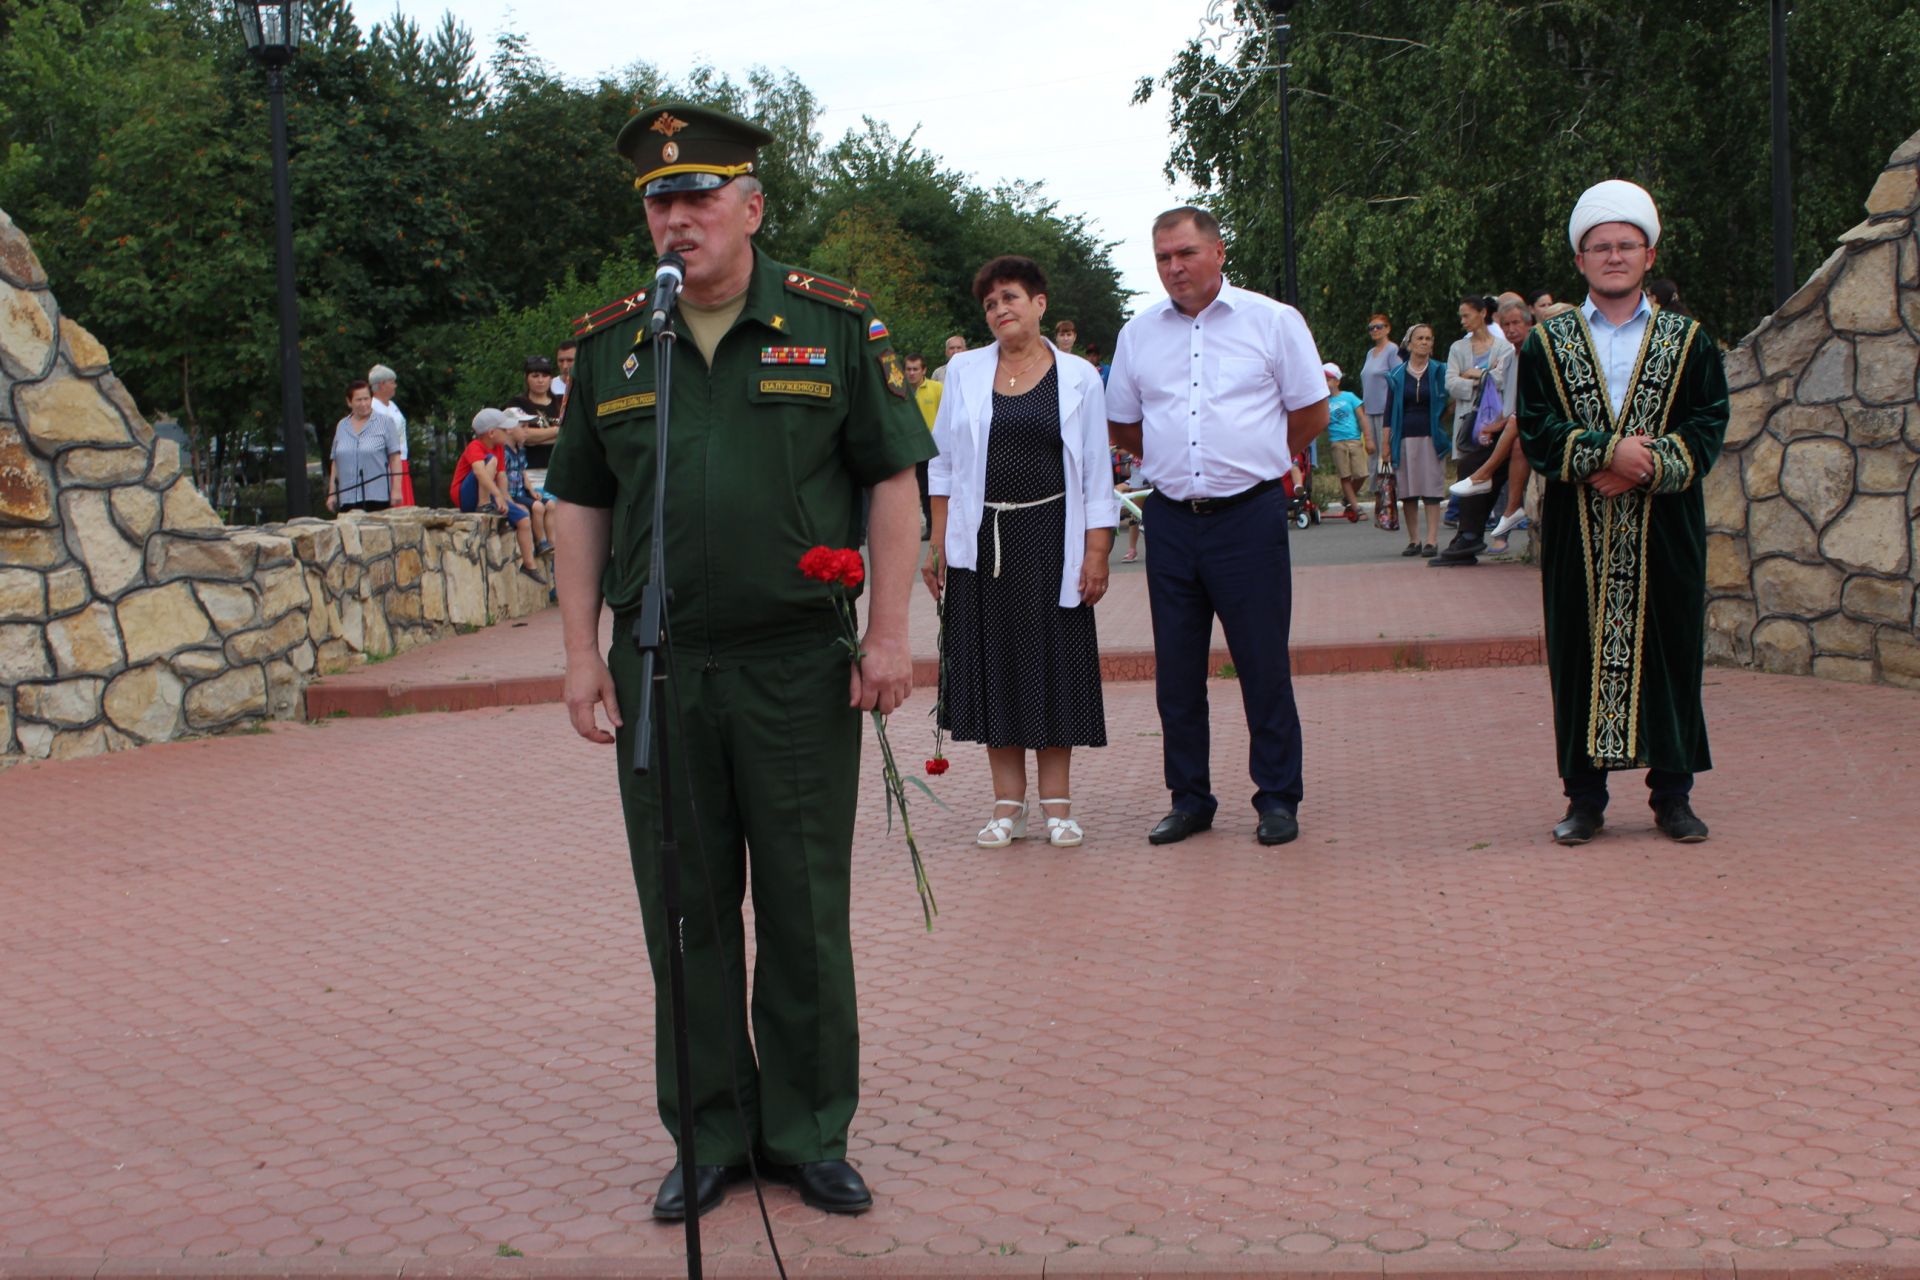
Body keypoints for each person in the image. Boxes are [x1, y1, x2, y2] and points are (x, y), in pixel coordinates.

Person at [546, 101, 933, 1222]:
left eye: (700, 198)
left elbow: (892, 483)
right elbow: (580, 499)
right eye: (661, 202)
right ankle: (711, 1131)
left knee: (806, 910)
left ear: (751, 207)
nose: (678, 219)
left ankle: (807, 1128)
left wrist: (892, 634)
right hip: (665, 667)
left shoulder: (833, 328)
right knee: (686, 910)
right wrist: (581, 653)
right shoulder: (616, 343)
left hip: (796, 667)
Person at [1106, 206, 1329, 848]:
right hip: (1172, 517)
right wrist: (1176, 462)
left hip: (1249, 517)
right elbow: (1123, 423)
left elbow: (1310, 411)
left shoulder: (1273, 321)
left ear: (1218, 252)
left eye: (1185, 254)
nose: (1174, 268)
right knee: (1176, 670)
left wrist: (1256, 456)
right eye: (1162, 258)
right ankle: (1190, 797)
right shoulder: (1139, 334)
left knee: (1262, 663)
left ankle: (1278, 797)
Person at [1517, 179, 1728, 846]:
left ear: (1650, 254)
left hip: (1666, 526)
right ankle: (1585, 799)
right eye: (1600, 247)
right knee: (1579, 655)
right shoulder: (1547, 345)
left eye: (1626, 245)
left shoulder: (1688, 340)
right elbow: (1535, 426)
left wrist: (1650, 463)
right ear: (1580, 260)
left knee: (1671, 649)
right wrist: (1607, 454)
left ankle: (1673, 796)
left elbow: (1708, 422)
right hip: (1577, 530)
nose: (1613, 256)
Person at [921, 256, 1115, 850]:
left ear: (1039, 303)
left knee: (1054, 666)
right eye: (990, 304)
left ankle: (1058, 805)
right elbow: (945, 462)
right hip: (982, 542)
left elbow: (1098, 472)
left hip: (1053, 536)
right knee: (993, 667)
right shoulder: (965, 372)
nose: (1000, 310)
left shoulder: (1079, 375)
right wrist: (937, 541)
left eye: (1010, 297)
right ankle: (1008, 805)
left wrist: (1097, 551)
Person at [1430, 296, 1515, 565]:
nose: (1463, 321)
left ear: (1483, 313)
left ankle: (1469, 535)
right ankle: (1468, 535)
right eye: (1461, 317)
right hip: (1469, 421)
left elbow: (1504, 379)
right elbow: (1451, 384)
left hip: (1496, 421)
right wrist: (1484, 377)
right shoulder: (1458, 348)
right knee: (1469, 467)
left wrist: (1474, 374)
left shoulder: (1503, 347)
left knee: (1479, 472)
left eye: (1467, 315)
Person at [1448, 299, 1536, 550]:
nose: (1510, 329)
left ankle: (1493, 499)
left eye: (1516, 323)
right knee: (1469, 461)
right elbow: (1496, 389)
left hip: (1529, 425)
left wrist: (1471, 375)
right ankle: (1469, 535)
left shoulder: (1536, 352)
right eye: (1506, 324)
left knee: (1507, 450)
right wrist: (1493, 424)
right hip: (1509, 425)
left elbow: (1527, 402)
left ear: (1529, 324)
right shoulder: (1509, 357)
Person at [452, 408, 544, 581]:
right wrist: (496, 495)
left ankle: (529, 564)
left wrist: (507, 500)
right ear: (492, 432)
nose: (508, 431)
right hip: (466, 496)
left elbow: (501, 476)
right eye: (504, 429)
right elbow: (480, 473)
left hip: (491, 493)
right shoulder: (475, 447)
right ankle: (483, 504)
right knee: (489, 461)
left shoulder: (499, 448)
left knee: (523, 518)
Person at [1381, 323, 1449, 555]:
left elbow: (1449, 400)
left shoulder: (1440, 370)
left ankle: (1431, 540)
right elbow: (1389, 411)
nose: (1424, 342)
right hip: (1404, 437)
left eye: (1429, 339)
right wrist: (1385, 445)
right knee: (1408, 491)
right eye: (1419, 338)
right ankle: (1414, 540)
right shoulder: (1397, 375)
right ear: (1409, 344)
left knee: (1432, 489)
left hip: (1431, 436)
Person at [326, 380, 404, 514]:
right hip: (347, 497)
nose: (363, 404)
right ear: (349, 402)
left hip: (377, 496)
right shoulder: (342, 426)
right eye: (358, 400)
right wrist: (332, 493)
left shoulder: (385, 423)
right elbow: (336, 462)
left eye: (366, 399)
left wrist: (396, 490)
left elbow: (395, 458)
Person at [1359, 314, 1402, 505]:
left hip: (1386, 408)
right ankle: (1377, 491)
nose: (1375, 331)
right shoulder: (1370, 353)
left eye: (1379, 327)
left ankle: (1394, 489)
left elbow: (1398, 378)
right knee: (1372, 451)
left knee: (1387, 450)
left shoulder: (1393, 350)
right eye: (1371, 328)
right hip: (1370, 408)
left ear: (1387, 328)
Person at [1320, 362, 1371, 521]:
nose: (1325, 383)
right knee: (1345, 475)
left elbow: (1362, 417)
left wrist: (1368, 438)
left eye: (1328, 380)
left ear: (1337, 381)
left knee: (1362, 473)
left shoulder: (1349, 397)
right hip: (1337, 442)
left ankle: (1348, 498)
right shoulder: (1322, 403)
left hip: (1354, 439)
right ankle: (1356, 507)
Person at [904, 353, 943, 538]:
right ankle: (908, 527)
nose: (912, 373)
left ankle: (933, 526)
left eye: (915, 369)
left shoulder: (936, 388)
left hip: (932, 448)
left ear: (924, 370)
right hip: (908, 447)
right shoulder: (900, 390)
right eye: (908, 369)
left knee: (930, 489)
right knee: (909, 490)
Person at [367, 364, 414, 506]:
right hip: (386, 463)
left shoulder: (392, 405)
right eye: (392, 382)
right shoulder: (372, 408)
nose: (395, 385)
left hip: (401, 460)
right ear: (382, 384)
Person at [508, 355, 564, 468]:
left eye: (545, 376)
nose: (540, 380)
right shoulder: (517, 403)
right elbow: (523, 436)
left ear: (550, 378)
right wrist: (559, 431)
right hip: (529, 467)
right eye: (535, 376)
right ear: (526, 378)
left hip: (560, 466)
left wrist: (537, 439)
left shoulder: (562, 401)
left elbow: (572, 434)